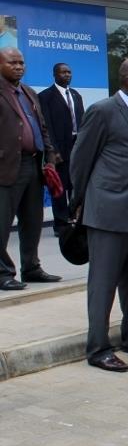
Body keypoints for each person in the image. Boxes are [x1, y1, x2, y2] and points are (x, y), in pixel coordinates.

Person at [71, 57, 128, 371]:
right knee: (103, 282)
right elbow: (81, 159)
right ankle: (98, 348)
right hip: (107, 211)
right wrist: (80, 202)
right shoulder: (103, 111)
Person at [0, 47, 62, 291]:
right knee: (2, 223)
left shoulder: (28, 93)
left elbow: (41, 127)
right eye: (12, 62)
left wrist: (50, 156)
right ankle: (3, 272)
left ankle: (31, 267)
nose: (18, 66)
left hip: (33, 165)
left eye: (21, 62)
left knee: (32, 220)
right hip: (6, 167)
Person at [37, 62, 84, 235]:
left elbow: (83, 122)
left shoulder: (76, 95)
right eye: (63, 72)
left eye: (69, 72)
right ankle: (61, 223)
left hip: (76, 145)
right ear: (55, 75)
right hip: (59, 147)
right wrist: (53, 150)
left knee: (75, 184)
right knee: (60, 187)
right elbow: (46, 125)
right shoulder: (46, 96)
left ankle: (74, 218)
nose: (67, 75)